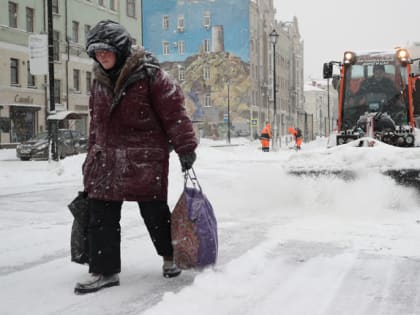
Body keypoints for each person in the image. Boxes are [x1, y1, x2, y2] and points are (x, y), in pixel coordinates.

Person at [74, 20, 198, 294]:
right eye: (95, 52)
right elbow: (97, 124)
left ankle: (170, 256)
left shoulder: (151, 74)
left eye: (106, 50)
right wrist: (90, 160)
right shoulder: (98, 81)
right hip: (106, 159)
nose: (101, 56)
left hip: (144, 157)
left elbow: (175, 114)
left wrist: (185, 147)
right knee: (101, 215)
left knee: (155, 212)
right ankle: (105, 271)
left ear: (120, 48)